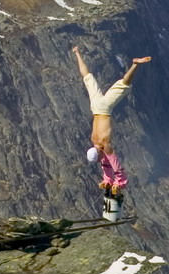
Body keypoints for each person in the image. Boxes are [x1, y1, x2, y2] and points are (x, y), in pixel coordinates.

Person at [72, 46, 151, 194]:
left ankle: (136, 64)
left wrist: (120, 181)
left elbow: (114, 163)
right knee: (87, 77)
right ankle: (77, 53)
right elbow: (104, 162)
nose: (101, 159)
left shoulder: (104, 144)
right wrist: (108, 180)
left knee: (124, 84)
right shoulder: (95, 140)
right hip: (94, 107)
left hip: (104, 108)